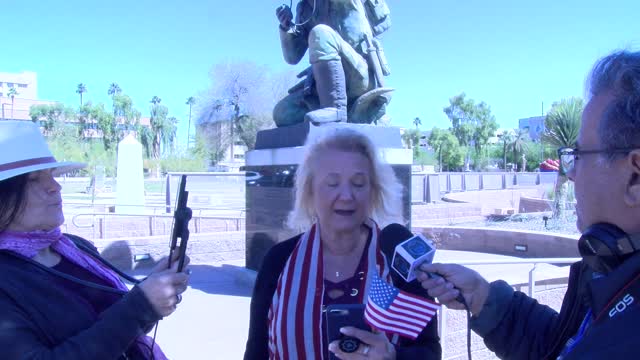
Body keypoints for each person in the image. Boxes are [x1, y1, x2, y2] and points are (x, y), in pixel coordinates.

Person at [418, 50, 640, 359]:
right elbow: (561, 348)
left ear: (635, 176)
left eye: (579, 156)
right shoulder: (610, 271)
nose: (571, 173)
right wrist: (483, 298)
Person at [244, 127, 441, 359]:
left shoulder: (397, 262)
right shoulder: (279, 260)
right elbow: (256, 352)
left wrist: (394, 357)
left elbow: (429, 351)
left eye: (358, 184)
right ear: (310, 191)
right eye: (332, 183)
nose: (346, 195)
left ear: (373, 191)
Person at [0, 121, 190, 359]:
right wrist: (140, 305)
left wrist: (151, 295)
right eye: (34, 179)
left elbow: (115, 329)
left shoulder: (75, 246)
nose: (55, 186)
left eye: (51, 175)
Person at [273, 0, 392, 126]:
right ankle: (351, 115)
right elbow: (293, 58)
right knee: (282, 113)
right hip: (326, 84)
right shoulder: (305, 7)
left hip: (359, 74)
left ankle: (336, 110)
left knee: (320, 32)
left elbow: (342, 35)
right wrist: (286, 27)